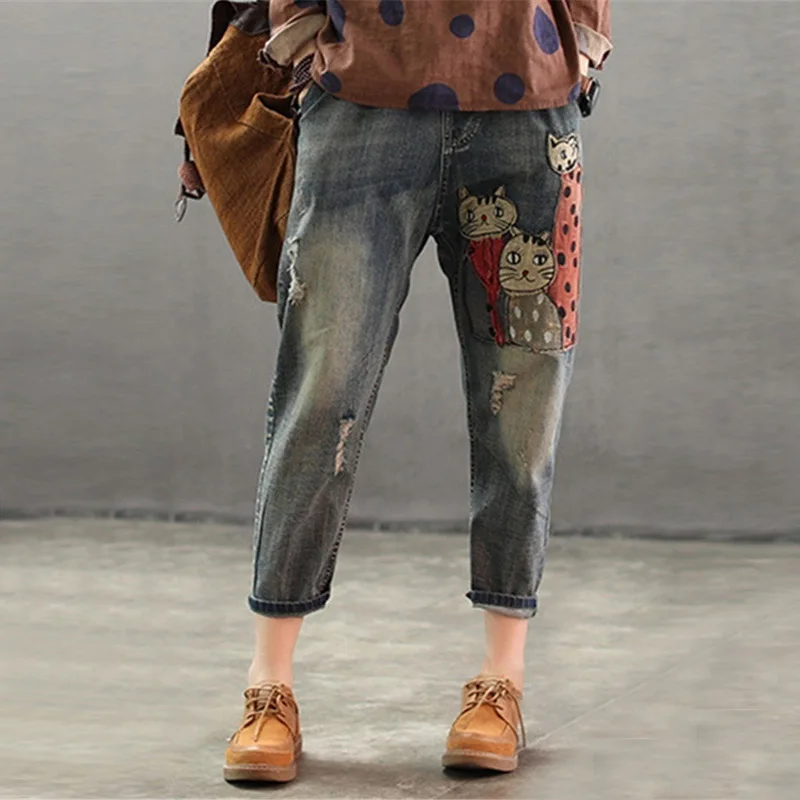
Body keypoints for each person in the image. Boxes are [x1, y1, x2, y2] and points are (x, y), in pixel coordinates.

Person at [223, 0, 612, 783]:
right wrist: (304, 33)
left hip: (526, 100)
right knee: (320, 396)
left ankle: (502, 682)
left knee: (521, 410)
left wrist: (583, 44)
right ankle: (269, 687)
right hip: (360, 101)